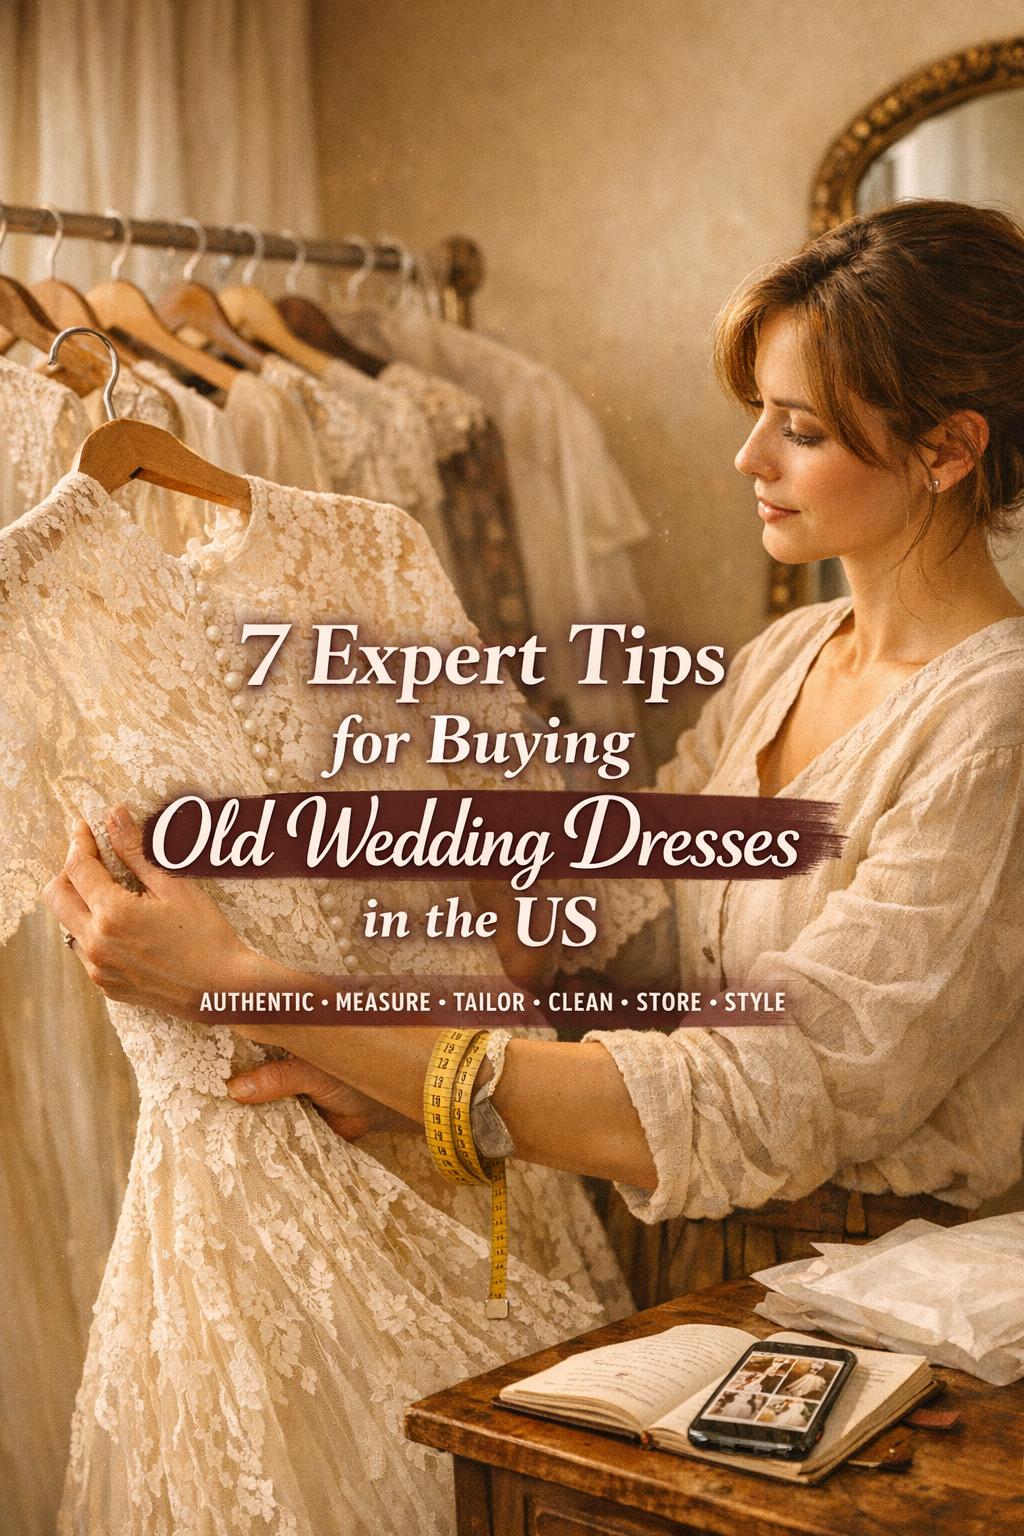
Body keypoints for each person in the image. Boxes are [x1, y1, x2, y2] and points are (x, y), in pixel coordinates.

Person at [48, 199, 1024, 1295]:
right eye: (757, 412)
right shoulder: (788, 656)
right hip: (689, 1259)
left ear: (945, 449)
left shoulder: (995, 725)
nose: (747, 454)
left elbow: (780, 1086)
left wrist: (246, 985)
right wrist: (405, 1058)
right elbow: (626, 939)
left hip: (885, 1302)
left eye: (799, 430)